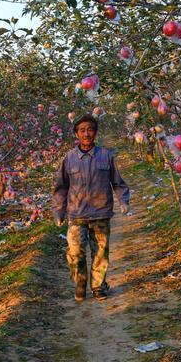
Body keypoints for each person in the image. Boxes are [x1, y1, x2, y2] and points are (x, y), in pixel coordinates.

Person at [52, 114, 130, 302]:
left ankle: (98, 286)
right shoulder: (69, 158)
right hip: (76, 214)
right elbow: (61, 187)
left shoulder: (106, 156)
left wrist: (123, 201)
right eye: (82, 130)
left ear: (95, 132)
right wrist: (58, 211)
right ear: (76, 134)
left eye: (90, 130)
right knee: (75, 252)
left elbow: (118, 182)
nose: (86, 134)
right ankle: (80, 284)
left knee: (100, 252)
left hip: (101, 213)